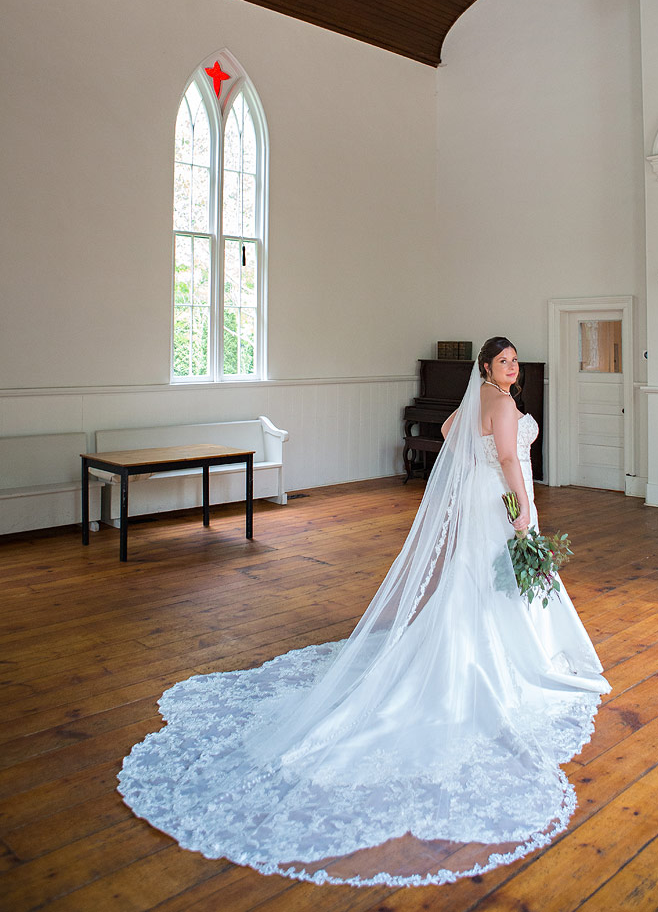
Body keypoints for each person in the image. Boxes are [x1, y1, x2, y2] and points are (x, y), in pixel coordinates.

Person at [119, 337, 610, 888]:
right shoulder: (500, 403)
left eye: (515, 360)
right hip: (500, 499)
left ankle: (491, 643)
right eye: (504, 361)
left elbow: (450, 434)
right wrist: (522, 510)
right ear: (488, 369)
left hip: (480, 497)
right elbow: (504, 457)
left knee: (479, 579)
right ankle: (509, 657)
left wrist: (488, 465)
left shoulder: (480, 400)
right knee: (496, 581)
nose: (513, 366)